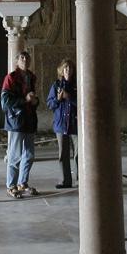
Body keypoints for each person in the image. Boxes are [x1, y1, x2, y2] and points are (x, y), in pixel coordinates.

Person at [1, 50, 39, 198]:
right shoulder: (10, 78)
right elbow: (5, 103)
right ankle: (11, 185)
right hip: (16, 122)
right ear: (17, 61)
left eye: (27, 57)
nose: (25, 59)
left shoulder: (31, 77)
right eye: (22, 57)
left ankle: (22, 182)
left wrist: (35, 102)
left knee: (29, 154)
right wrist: (26, 99)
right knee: (15, 155)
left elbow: (32, 100)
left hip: (29, 121)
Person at [46, 58, 78, 189]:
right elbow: (50, 104)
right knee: (63, 154)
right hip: (61, 124)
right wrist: (58, 99)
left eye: (70, 67)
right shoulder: (56, 85)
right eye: (65, 67)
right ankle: (66, 180)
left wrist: (69, 97)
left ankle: (80, 180)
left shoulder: (78, 84)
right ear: (61, 70)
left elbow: (85, 103)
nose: (68, 70)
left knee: (78, 154)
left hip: (75, 124)